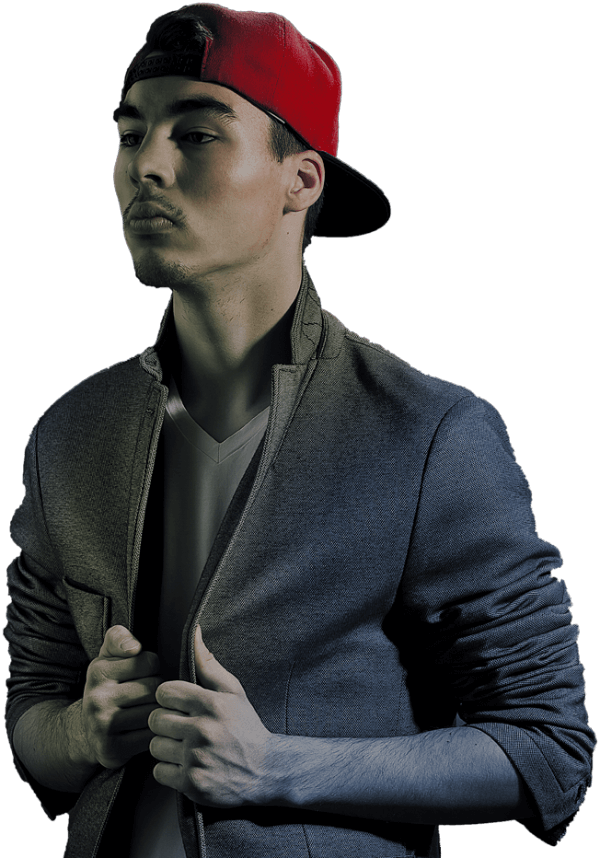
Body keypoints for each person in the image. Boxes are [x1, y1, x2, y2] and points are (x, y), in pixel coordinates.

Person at [4, 4, 595, 857]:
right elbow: (31, 709)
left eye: (196, 134)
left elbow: (548, 752)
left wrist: (277, 767)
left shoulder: (431, 434)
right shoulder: (67, 433)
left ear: (303, 179)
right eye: (131, 136)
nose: (146, 167)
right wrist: (79, 734)